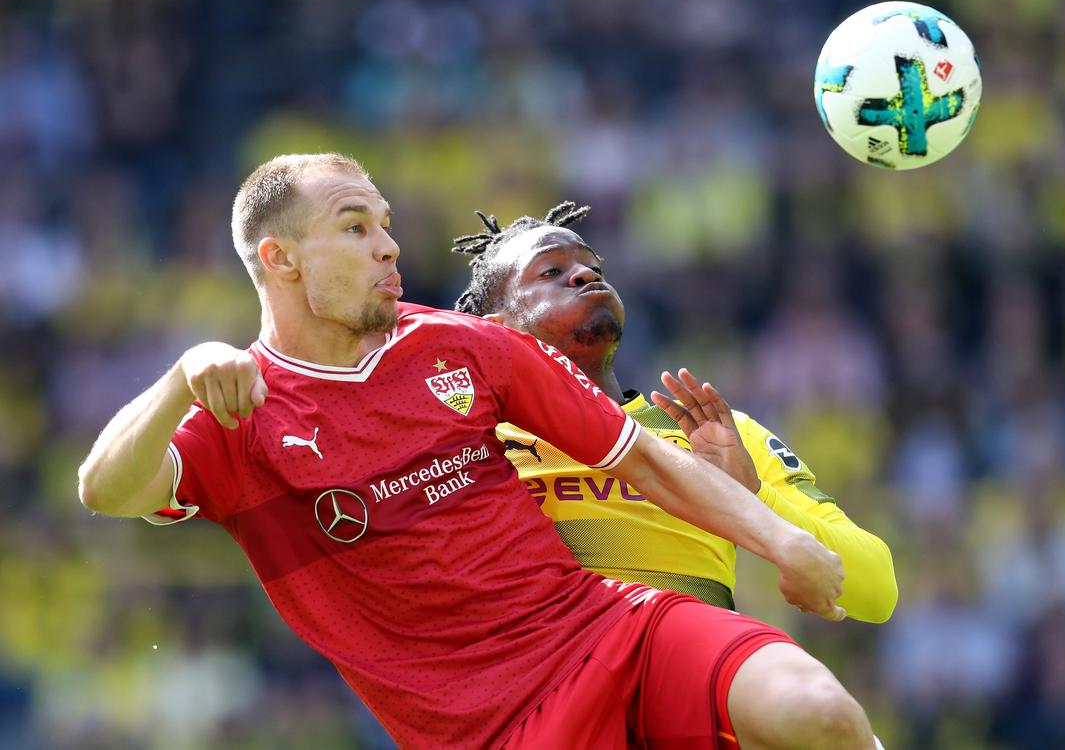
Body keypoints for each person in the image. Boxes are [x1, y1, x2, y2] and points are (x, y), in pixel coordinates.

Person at [77, 153, 875, 749]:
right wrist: (183, 377)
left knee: (819, 712)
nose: (388, 247)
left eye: (386, 224)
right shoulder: (238, 414)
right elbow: (105, 490)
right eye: (355, 227)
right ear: (280, 260)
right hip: (485, 735)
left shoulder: (463, 347)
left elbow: (641, 457)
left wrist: (785, 540)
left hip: (605, 632)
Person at [451, 203, 897, 621]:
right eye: (552, 271)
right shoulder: (479, 447)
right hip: (555, 686)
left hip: (693, 687)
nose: (586, 273)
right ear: (497, 329)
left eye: (594, 266)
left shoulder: (718, 436)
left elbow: (878, 591)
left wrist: (753, 492)